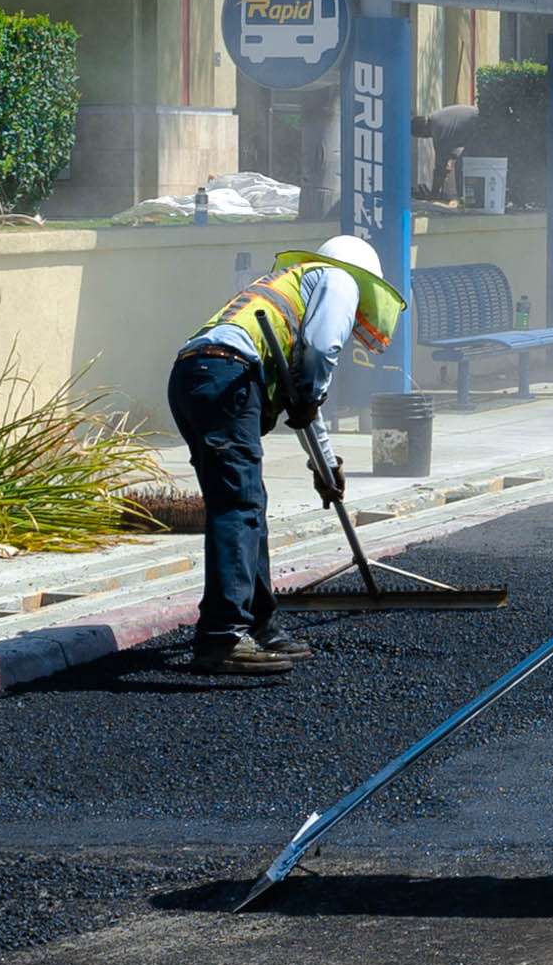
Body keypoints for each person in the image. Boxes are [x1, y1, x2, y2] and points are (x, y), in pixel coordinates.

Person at [166, 231, 400, 675]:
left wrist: (325, 464)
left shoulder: (290, 287)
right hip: (227, 376)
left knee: (245, 504)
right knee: (239, 506)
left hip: (196, 376)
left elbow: (299, 395)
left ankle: (260, 625)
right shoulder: (339, 280)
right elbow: (321, 350)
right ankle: (222, 636)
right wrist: (313, 396)